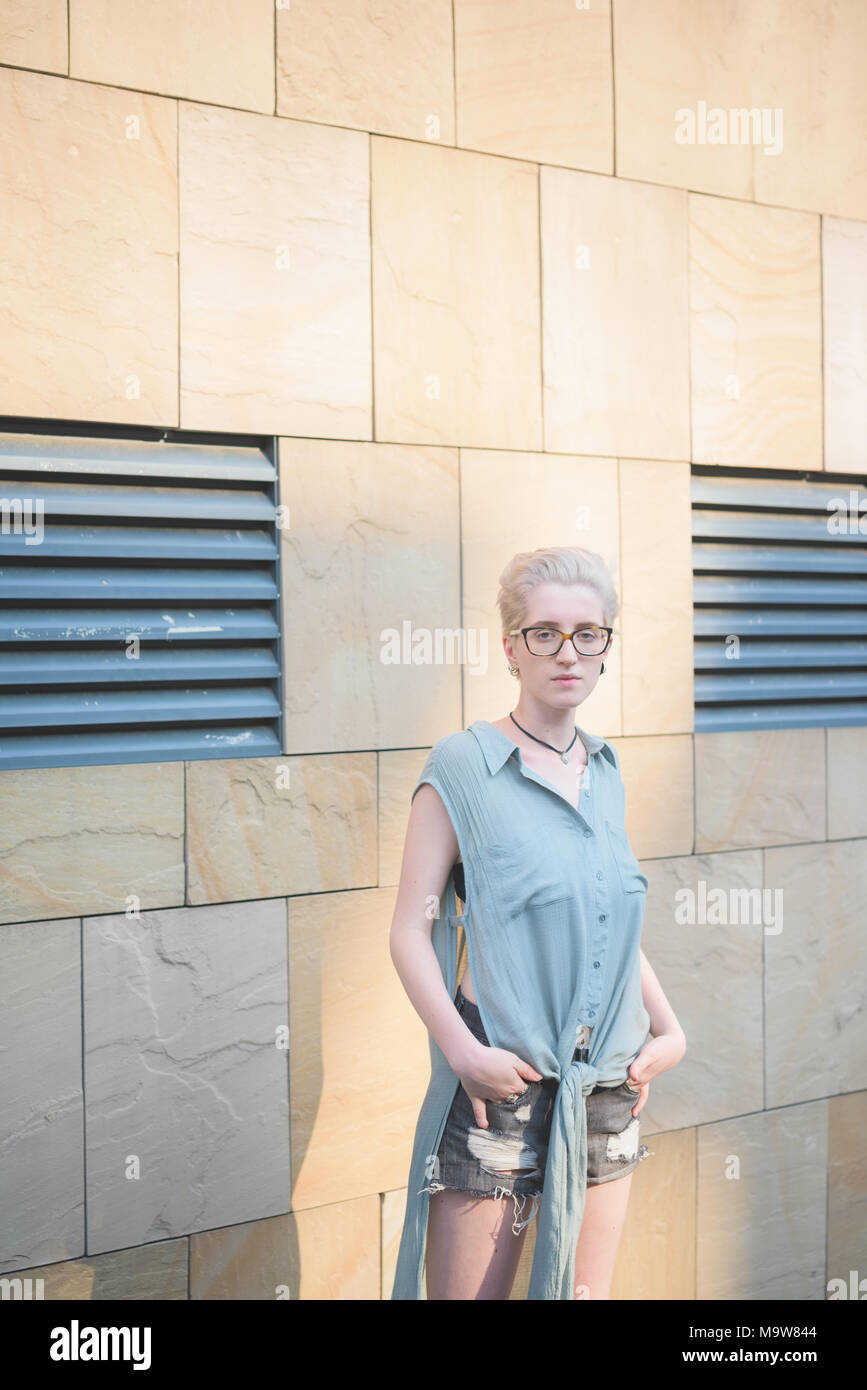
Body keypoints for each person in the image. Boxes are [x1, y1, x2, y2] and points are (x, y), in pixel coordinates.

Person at [389, 545, 687, 1300]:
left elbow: (608, 922)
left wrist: (667, 1028)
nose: (567, 651)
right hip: (504, 1080)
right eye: (544, 632)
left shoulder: (606, 770)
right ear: (510, 648)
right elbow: (408, 930)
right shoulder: (462, 765)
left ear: (605, 649)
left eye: (588, 633)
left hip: (606, 1086)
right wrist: (461, 1052)